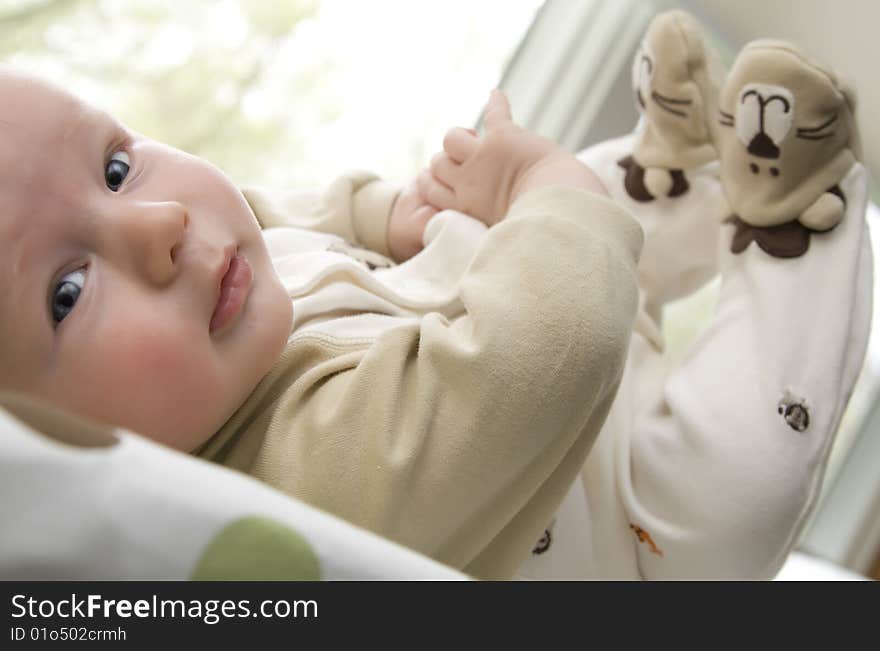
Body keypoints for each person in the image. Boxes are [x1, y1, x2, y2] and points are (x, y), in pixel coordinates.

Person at [0, 69, 643, 579]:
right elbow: (536, 361)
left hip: (595, 328)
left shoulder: (218, 286)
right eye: (68, 292)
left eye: (116, 170)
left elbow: (273, 213)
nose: (160, 221)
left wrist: (382, 214)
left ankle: (664, 166)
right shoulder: (299, 490)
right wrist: (550, 185)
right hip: (636, 514)